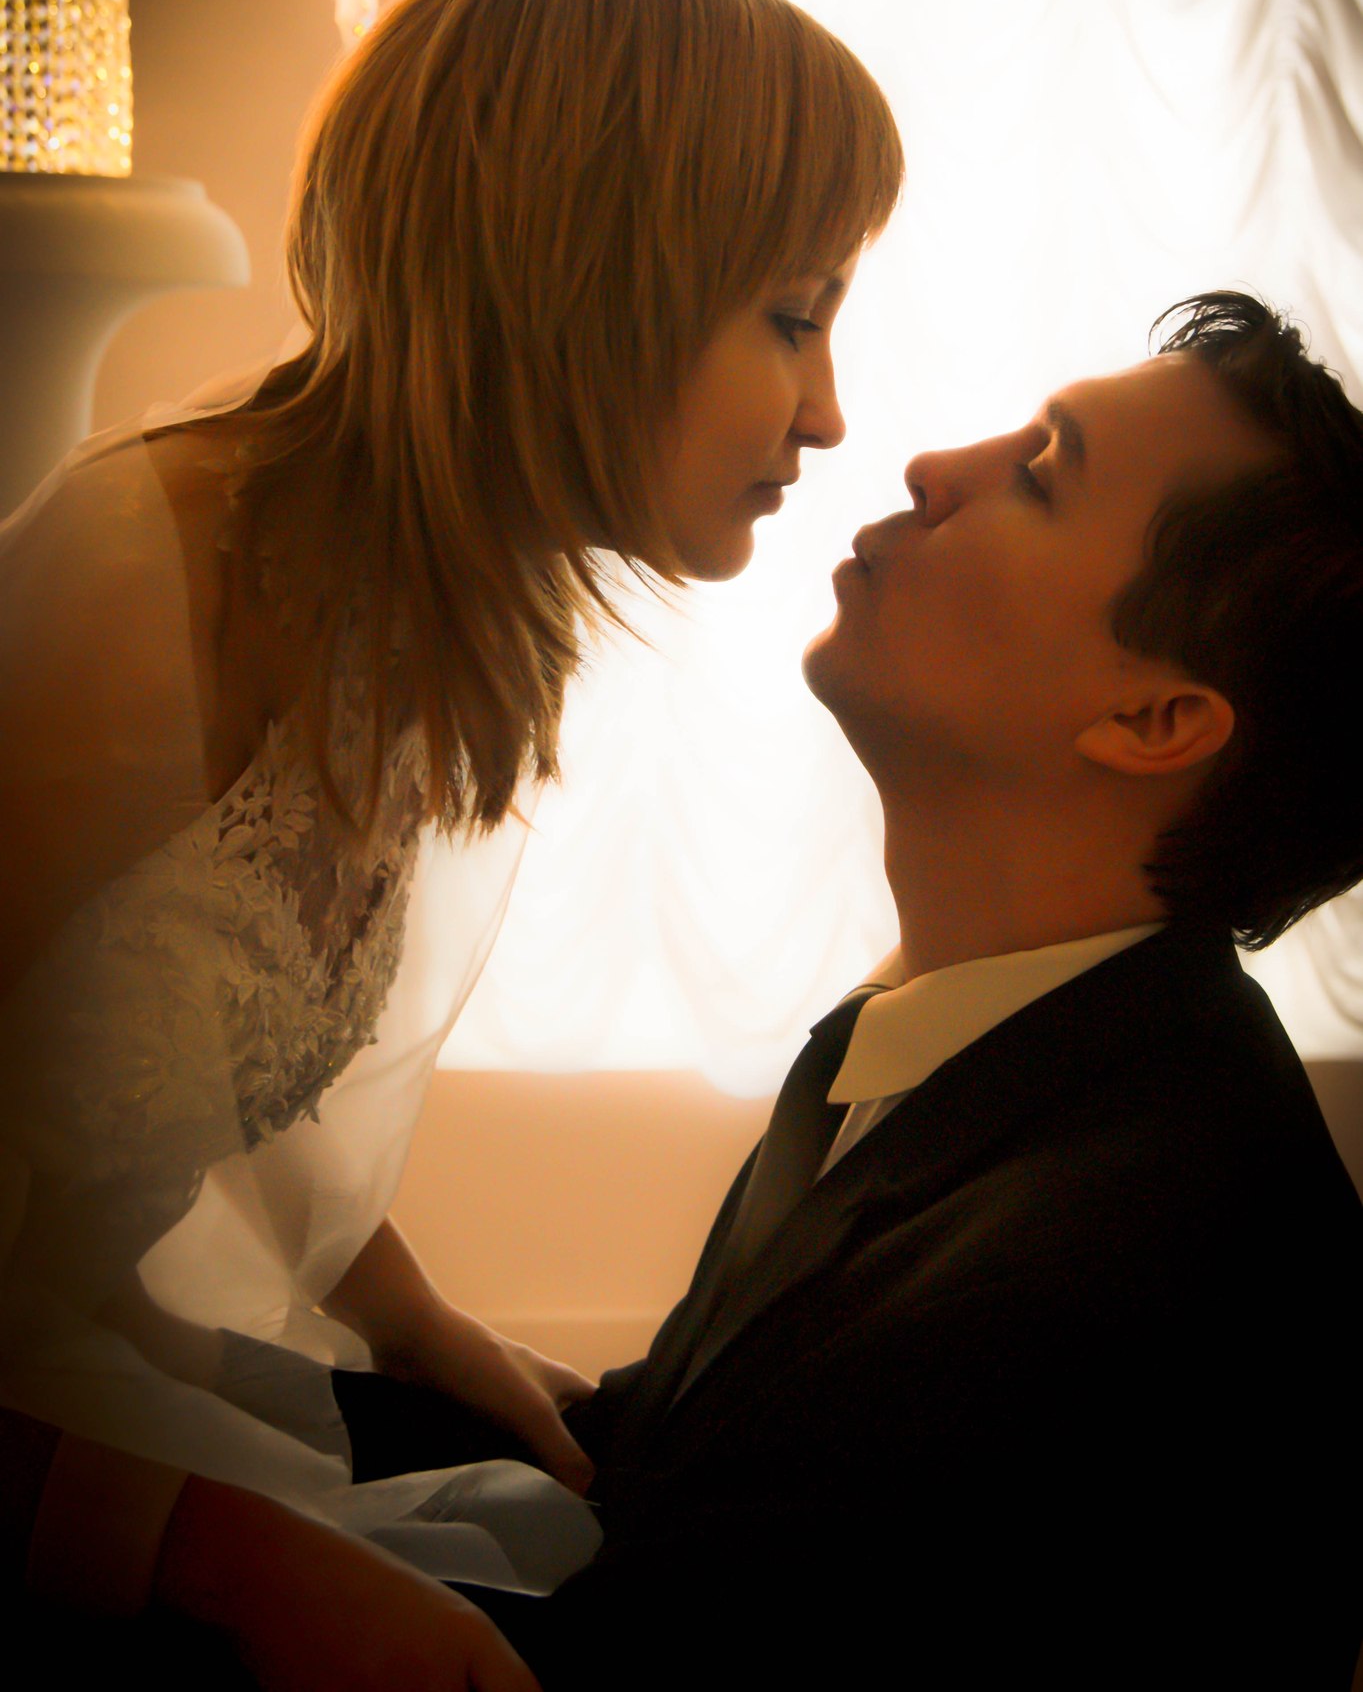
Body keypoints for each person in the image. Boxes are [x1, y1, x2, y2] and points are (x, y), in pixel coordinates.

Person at [0, 0, 903, 1687]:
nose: (827, 411)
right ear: (585, 285)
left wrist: (418, 1324)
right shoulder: (143, 580)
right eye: (794, 317)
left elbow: (170, 1051)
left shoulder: (416, 610)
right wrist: (220, 1556)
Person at [340, 291, 1363, 1689]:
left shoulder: (1134, 1257)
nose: (932, 468)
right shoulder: (967, 1046)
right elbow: (689, 1475)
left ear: (1152, 720)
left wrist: (166, 1534)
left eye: (1039, 476)